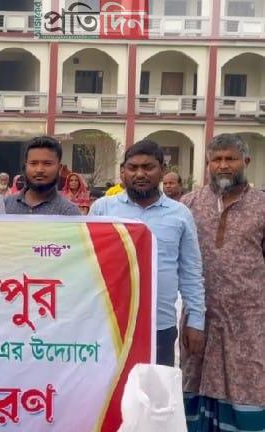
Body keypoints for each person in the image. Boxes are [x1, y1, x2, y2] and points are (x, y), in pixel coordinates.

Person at [90, 139, 205, 367]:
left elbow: (191, 272)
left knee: (155, 388)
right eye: (133, 168)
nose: (140, 174)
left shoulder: (180, 214)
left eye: (148, 167)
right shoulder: (103, 209)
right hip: (110, 325)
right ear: (122, 172)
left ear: (162, 170)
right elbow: (89, 266)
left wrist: (196, 321)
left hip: (159, 326)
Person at [180, 134, 265, 431]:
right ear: (208, 164)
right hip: (199, 317)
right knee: (192, 377)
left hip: (249, 319)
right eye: (216, 159)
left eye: (231, 159)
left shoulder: (262, 205)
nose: (223, 165)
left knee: (248, 381)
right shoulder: (189, 204)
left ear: (246, 162)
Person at [5, 136, 80, 215]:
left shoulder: (69, 212)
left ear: (59, 168)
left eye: (47, 163)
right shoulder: (6, 205)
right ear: (25, 166)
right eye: (33, 163)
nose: (39, 170)